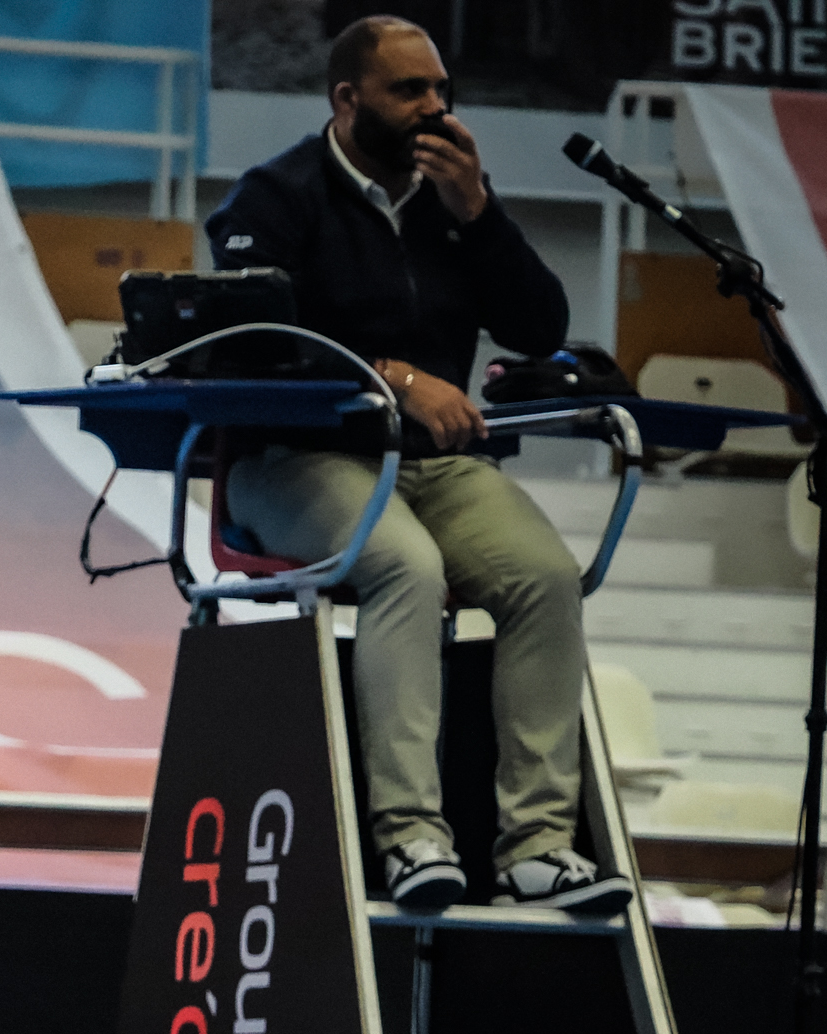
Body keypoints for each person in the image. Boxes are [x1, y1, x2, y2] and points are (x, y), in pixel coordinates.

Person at [204, 14, 632, 915]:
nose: (434, 108)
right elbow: (254, 343)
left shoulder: (454, 201)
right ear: (347, 100)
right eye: (409, 91)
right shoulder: (272, 196)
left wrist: (480, 213)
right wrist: (395, 377)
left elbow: (540, 328)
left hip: (431, 466)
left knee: (546, 576)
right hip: (293, 459)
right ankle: (411, 837)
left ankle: (537, 848)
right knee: (406, 566)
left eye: (441, 90)